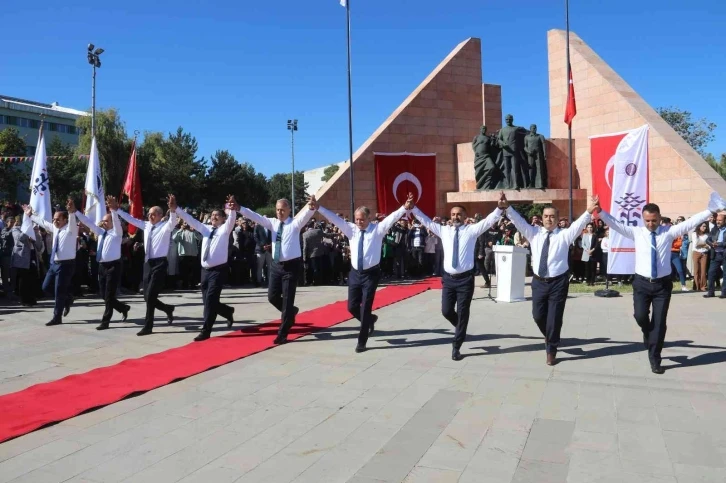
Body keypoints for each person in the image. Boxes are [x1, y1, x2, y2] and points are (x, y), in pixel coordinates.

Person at [598, 194, 723, 373]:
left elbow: (690, 222)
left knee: (659, 322)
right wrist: (599, 212)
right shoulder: (637, 232)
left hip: (662, 286)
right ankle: (648, 334)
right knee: (640, 316)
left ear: (659, 217)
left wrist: (710, 210)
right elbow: (615, 224)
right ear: (643, 219)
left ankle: (655, 357)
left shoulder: (668, 232)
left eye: (654, 220)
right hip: (641, 283)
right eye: (647, 220)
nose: (650, 224)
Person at [499, 193, 600, 365]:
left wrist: (589, 211)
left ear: (558, 218)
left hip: (558, 282)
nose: (549, 219)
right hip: (539, 282)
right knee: (538, 315)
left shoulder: (564, 235)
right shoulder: (533, 233)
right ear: (542, 218)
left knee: (554, 317)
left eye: (552, 216)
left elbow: (578, 225)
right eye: (546, 216)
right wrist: (507, 207)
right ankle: (551, 335)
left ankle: (551, 349)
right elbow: (519, 222)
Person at [410, 196, 504, 361]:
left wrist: (499, 208)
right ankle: (461, 328)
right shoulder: (444, 230)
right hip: (448, 280)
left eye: (459, 214)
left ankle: (456, 345)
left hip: (465, 280)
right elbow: (425, 221)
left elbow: (489, 221)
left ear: (465, 216)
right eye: (453, 214)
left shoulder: (472, 230)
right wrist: (412, 208)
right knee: (446, 311)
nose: (455, 217)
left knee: (463, 312)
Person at [317, 195, 410, 352]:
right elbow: (334, 219)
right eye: (357, 219)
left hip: (371, 274)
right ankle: (370, 320)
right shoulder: (351, 229)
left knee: (366, 306)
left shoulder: (377, 230)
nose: (359, 222)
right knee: (352, 307)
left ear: (368, 218)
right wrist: (319, 207)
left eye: (361, 219)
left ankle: (362, 341)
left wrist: (404, 207)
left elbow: (392, 218)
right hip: (355, 273)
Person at [234, 195, 316, 344]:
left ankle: (283, 333)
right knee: (272, 297)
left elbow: (305, 215)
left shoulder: (295, 224)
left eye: (282, 210)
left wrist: (310, 208)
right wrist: (240, 208)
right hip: (276, 265)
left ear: (289, 210)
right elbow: (255, 216)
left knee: (287, 301)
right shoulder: (272, 223)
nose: (279, 212)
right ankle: (291, 312)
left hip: (291, 267)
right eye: (277, 210)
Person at [174, 195, 237, 341]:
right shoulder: (205, 229)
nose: (214, 217)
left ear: (222, 218)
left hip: (218, 270)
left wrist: (232, 208)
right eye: (212, 215)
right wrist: (176, 209)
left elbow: (232, 219)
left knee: (210, 299)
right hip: (205, 271)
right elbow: (190, 220)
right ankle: (227, 311)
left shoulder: (224, 230)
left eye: (217, 215)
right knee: (208, 301)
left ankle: (206, 330)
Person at [114, 195, 179, 336]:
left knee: (150, 296)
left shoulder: (165, 227)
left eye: (153, 214)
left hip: (160, 263)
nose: (150, 216)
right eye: (148, 214)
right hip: (147, 263)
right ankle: (167, 309)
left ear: (160, 215)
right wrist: (117, 209)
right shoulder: (146, 225)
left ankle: (148, 326)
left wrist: (173, 210)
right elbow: (130, 219)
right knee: (146, 296)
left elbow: (172, 221)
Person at [73, 196, 131, 330]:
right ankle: (123, 307)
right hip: (102, 266)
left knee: (109, 295)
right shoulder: (101, 233)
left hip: (113, 266)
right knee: (104, 295)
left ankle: (105, 321)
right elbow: (88, 222)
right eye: (103, 221)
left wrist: (113, 210)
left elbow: (116, 221)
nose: (103, 223)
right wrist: (76, 212)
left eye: (106, 221)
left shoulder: (117, 233)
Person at [25, 199, 78, 326]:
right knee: (45, 287)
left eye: (58, 219)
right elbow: (43, 223)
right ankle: (67, 298)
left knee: (59, 291)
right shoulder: (55, 228)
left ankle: (57, 317)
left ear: (65, 220)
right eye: (54, 219)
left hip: (66, 264)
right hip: (54, 263)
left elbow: (71, 219)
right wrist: (30, 215)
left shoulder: (71, 229)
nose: (55, 221)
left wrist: (71, 212)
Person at [704, 212, 726, 299]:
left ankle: (724, 293)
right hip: (715, 254)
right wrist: (712, 244)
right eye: (717, 220)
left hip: (724, 254)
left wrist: (719, 244)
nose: (718, 222)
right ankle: (711, 292)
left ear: (725, 221)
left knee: (725, 274)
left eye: (720, 220)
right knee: (711, 273)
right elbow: (707, 239)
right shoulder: (714, 229)